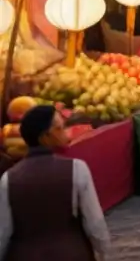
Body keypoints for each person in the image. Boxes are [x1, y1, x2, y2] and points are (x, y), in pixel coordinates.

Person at [0, 104, 110, 260]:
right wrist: (103, 251)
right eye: (60, 128)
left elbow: (3, 231)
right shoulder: (77, 169)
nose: (66, 133)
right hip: (72, 253)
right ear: (45, 136)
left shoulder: (9, 179)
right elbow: (95, 222)